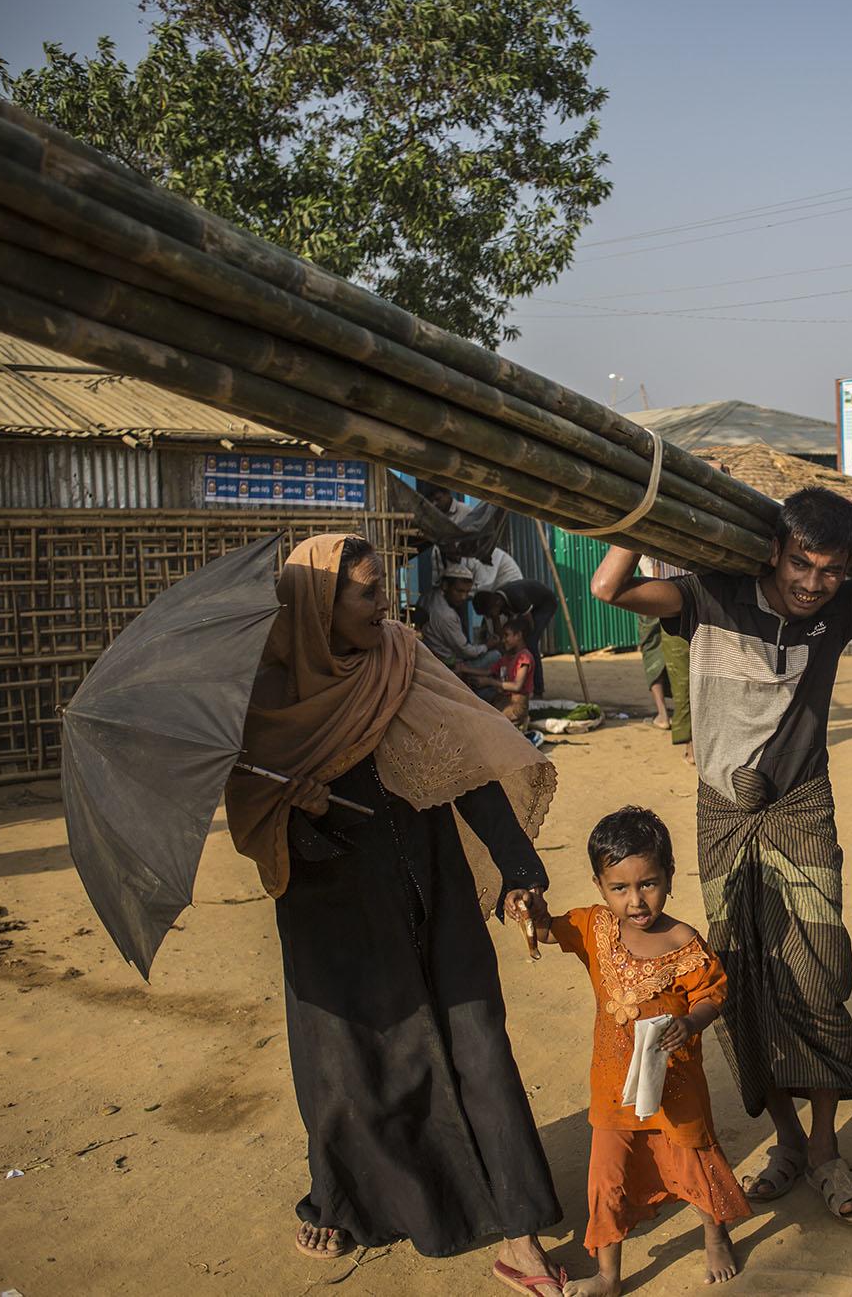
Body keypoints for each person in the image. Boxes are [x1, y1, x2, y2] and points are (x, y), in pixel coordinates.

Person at [224, 534, 567, 1293]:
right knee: (352, 1063)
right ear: (316, 604)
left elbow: (466, 760)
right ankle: (344, 1199)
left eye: (382, 587)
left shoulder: (401, 659)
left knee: (478, 1041)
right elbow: (253, 811)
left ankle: (520, 1233)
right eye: (365, 592)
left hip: (431, 880)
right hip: (333, 905)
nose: (384, 604)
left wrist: (516, 866)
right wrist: (303, 814)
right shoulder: (271, 697)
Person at [589, 487, 852, 1227]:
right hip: (722, 813)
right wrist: (641, 513)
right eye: (801, 562)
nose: (813, 582)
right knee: (742, 977)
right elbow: (606, 586)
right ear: (773, 548)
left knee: (814, 973)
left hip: (802, 807)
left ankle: (827, 1151)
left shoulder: (841, 612)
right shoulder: (709, 595)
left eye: (831, 568)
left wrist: (848, 511)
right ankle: (785, 1145)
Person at [523, 807, 750, 1295]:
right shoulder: (595, 929)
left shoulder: (685, 943)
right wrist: (531, 912)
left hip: (676, 1083)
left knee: (695, 1159)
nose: (636, 901)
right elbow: (547, 930)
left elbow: (714, 994)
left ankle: (715, 1235)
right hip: (611, 1088)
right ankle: (608, 1275)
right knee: (607, 1178)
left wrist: (690, 1022)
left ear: (668, 875)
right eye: (619, 889)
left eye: (648, 883)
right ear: (599, 886)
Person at [635, 558, 694, 764]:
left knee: (683, 674)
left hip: (669, 599)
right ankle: (688, 739)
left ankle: (687, 739)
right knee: (680, 672)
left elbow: (605, 588)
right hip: (668, 599)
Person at [475, 579, 561, 698]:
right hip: (530, 606)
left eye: (491, 613)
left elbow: (529, 626)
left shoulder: (516, 597)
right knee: (511, 642)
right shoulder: (498, 602)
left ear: (497, 604)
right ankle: (513, 682)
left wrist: (521, 646)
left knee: (530, 643)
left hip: (545, 605)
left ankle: (538, 690)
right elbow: (501, 636)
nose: (490, 616)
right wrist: (496, 620)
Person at [420, 561, 498, 674]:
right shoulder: (446, 614)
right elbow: (465, 651)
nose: (463, 597)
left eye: (467, 592)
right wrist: (487, 646)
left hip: (435, 657)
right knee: (496, 656)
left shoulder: (428, 597)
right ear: (445, 586)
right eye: (459, 591)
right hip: (447, 665)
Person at [490, 615, 537, 725]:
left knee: (492, 721)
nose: (503, 640)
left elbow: (517, 686)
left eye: (506, 636)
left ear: (518, 635)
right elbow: (489, 671)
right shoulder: (507, 658)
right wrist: (465, 669)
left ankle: (521, 721)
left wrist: (490, 682)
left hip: (516, 706)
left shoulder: (524, 657)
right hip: (505, 700)